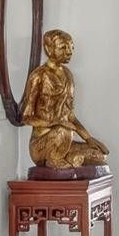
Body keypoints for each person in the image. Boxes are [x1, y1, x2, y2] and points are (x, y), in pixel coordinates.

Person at [20, 29, 108, 170]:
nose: (69, 52)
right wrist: (54, 122)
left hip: (65, 140)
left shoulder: (68, 75)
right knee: (63, 130)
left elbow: (70, 116)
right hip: (42, 143)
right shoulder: (38, 76)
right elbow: (26, 117)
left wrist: (88, 138)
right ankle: (57, 160)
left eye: (71, 47)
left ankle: (70, 159)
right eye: (63, 47)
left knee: (100, 155)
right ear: (48, 49)